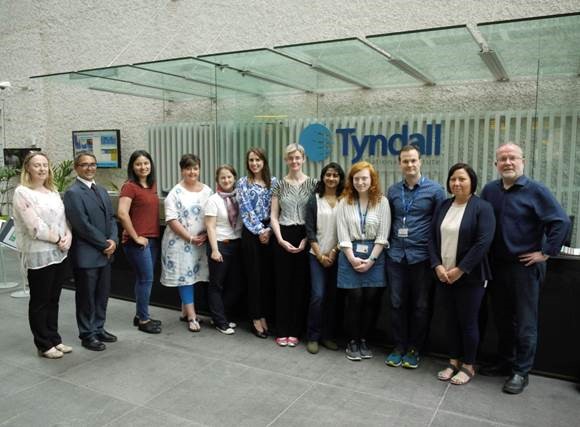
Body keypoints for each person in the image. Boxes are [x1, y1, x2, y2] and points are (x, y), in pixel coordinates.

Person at [480, 142, 570, 394]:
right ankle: (505, 362)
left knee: (525, 322)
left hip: (525, 268)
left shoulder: (536, 191)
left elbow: (560, 222)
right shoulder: (490, 190)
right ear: (495, 164)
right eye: (502, 158)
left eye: (513, 158)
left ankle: (521, 371)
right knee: (502, 320)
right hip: (497, 268)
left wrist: (546, 253)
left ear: (523, 161)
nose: (508, 162)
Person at [429, 163, 495, 385]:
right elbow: (431, 238)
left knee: (468, 322)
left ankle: (469, 365)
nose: (456, 183)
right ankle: (453, 360)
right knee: (450, 321)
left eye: (462, 179)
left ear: (472, 182)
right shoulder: (444, 205)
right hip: (443, 274)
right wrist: (437, 265)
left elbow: (483, 243)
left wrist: (460, 269)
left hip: (471, 277)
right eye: (453, 179)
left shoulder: (482, 207)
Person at [385, 144, 445, 369]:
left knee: (421, 306)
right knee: (396, 303)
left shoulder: (435, 190)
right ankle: (399, 346)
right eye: (405, 161)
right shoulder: (392, 191)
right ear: (399, 163)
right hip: (396, 257)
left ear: (420, 162)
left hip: (422, 257)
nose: (409, 165)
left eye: (413, 160)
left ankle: (415, 349)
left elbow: (439, 226)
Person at [12, 152, 73, 359]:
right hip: (39, 253)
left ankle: (54, 338)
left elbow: (63, 219)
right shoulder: (22, 192)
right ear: (28, 168)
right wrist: (58, 239)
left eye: (45, 165)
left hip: (59, 253)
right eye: (37, 165)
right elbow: (34, 227)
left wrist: (68, 237)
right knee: (40, 300)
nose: (42, 169)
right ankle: (43, 344)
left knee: (53, 299)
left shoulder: (52, 191)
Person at [64, 152, 118, 351]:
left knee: (102, 295)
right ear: (77, 168)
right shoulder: (73, 193)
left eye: (93, 164)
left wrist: (113, 240)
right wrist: (104, 244)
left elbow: (112, 218)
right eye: (85, 165)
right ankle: (87, 334)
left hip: (105, 253)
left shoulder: (101, 190)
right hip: (87, 255)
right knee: (86, 297)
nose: (90, 168)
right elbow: (82, 225)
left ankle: (99, 327)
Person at [336, 161, 390, 361]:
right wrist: (352, 259)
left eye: (364, 178)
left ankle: (364, 340)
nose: (360, 182)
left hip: (375, 256)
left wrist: (370, 260)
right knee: (355, 300)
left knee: (370, 300)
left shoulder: (382, 202)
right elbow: (342, 235)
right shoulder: (344, 202)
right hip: (350, 253)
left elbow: (383, 236)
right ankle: (352, 341)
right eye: (356, 178)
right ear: (351, 180)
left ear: (372, 179)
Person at [270, 143, 317, 347]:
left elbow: (315, 216)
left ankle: (296, 331)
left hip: (305, 235)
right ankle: (282, 329)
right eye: (290, 158)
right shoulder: (278, 185)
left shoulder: (314, 184)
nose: (294, 161)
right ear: (285, 160)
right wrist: (280, 239)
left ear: (304, 159)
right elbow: (273, 215)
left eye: (298, 158)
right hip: (283, 232)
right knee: (282, 285)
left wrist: (307, 238)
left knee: (300, 285)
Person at [160, 153, 212, 333]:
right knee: (185, 278)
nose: (192, 172)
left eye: (195, 168)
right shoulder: (175, 193)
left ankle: (185, 310)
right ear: (182, 170)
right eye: (188, 168)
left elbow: (212, 215)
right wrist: (189, 237)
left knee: (196, 276)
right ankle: (192, 316)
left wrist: (207, 233)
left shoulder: (207, 190)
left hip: (201, 241)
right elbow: (171, 219)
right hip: (180, 242)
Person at [117, 150, 162, 334]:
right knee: (146, 279)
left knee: (142, 279)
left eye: (146, 163)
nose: (143, 167)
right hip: (137, 242)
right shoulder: (130, 186)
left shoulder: (151, 185)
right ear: (132, 167)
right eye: (138, 164)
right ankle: (144, 320)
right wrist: (135, 236)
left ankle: (140, 315)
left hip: (151, 240)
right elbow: (121, 213)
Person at [304, 162, 345, 354]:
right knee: (318, 296)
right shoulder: (314, 199)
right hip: (316, 255)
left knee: (332, 297)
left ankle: (327, 336)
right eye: (328, 175)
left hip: (339, 255)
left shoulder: (345, 199)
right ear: (323, 177)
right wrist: (320, 255)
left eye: (335, 175)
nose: (331, 178)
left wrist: (334, 251)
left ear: (340, 178)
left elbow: (347, 230)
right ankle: (313, 336)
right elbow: (309, 230)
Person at [237, 148, 277, 339]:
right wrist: (261, 230)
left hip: (271, 233)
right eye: (251, 160)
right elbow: (246, 210)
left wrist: (269, 230)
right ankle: (255, 318)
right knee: (253, 277)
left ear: (264, 162)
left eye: (258, 160)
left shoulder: (274, 182)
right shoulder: (243, 183)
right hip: (252, 234)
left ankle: (265, 315)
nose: (254, 163)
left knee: (266, 278)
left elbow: (277, 209)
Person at [205, 165, 243, 335]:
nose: (226, 180)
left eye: (229, 177)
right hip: (220, 244)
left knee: (236, 285)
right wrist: (214, 249)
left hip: (237, 244)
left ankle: (219, 316)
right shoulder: (213, 200)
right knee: (217, 285)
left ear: (234, 178)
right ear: (217, 180)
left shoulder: (240, 197)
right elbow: (210, 227)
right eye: (222, 178)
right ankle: (220, 322)